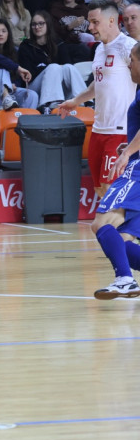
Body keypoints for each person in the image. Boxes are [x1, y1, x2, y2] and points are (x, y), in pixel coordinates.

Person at [57, 0, 139, 198]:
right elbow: (99, 83)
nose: (90, 27)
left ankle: (120, 229)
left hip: (119, 131)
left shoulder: (129, 47)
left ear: (111, 21)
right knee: (100, 191)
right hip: (98, 129)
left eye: (95, 22)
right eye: (89, 22)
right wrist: (76, 100)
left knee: (111, 192)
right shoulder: (100, 48)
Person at [87, 40, 140, 299]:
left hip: (138, 169)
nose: (130, 63)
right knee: (125, 238)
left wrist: (129, 152)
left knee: (102, 223)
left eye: (133, 59)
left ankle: (125, 279)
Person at [19, 10, 89, 112]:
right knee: (53, 67)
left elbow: (67, 64)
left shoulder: (58, 43)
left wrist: (51, 68)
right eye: (34, 24)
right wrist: (47, 69)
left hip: (58, 87)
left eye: (41, 23)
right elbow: (28, 76)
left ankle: (85, 102)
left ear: (48, 24)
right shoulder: (26, 46)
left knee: (69, 67)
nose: (37, 27)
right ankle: (51, 105)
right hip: (34, 88)